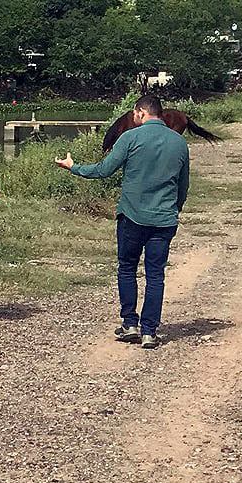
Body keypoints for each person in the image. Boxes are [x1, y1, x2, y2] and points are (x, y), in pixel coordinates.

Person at [56, 94, 190, 350]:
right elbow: (183, 186)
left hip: (132, 216)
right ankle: (150, 332)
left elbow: (103, 170)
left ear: (141, 112)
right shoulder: (179, 143)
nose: (134, 117)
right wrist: (174, 210)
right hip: (164, 220)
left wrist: (73, 167)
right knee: (155, 275)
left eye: (134, 113)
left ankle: (130, 324)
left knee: (127, 268)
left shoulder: (130, 138)